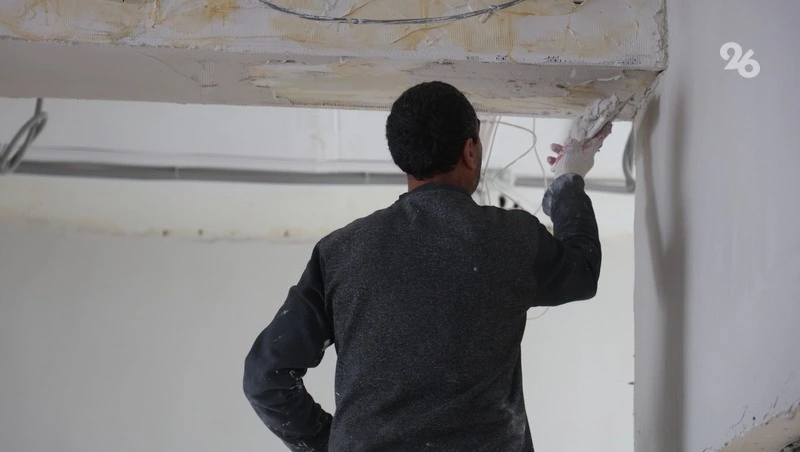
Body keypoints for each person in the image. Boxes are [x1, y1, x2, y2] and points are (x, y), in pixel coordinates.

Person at [243, 81, 609, 452]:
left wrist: (333, 442)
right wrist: (568, 182)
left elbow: (265, 379)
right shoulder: (512, 239)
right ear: (469, 150)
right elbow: (583, 270)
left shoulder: (340, 253)